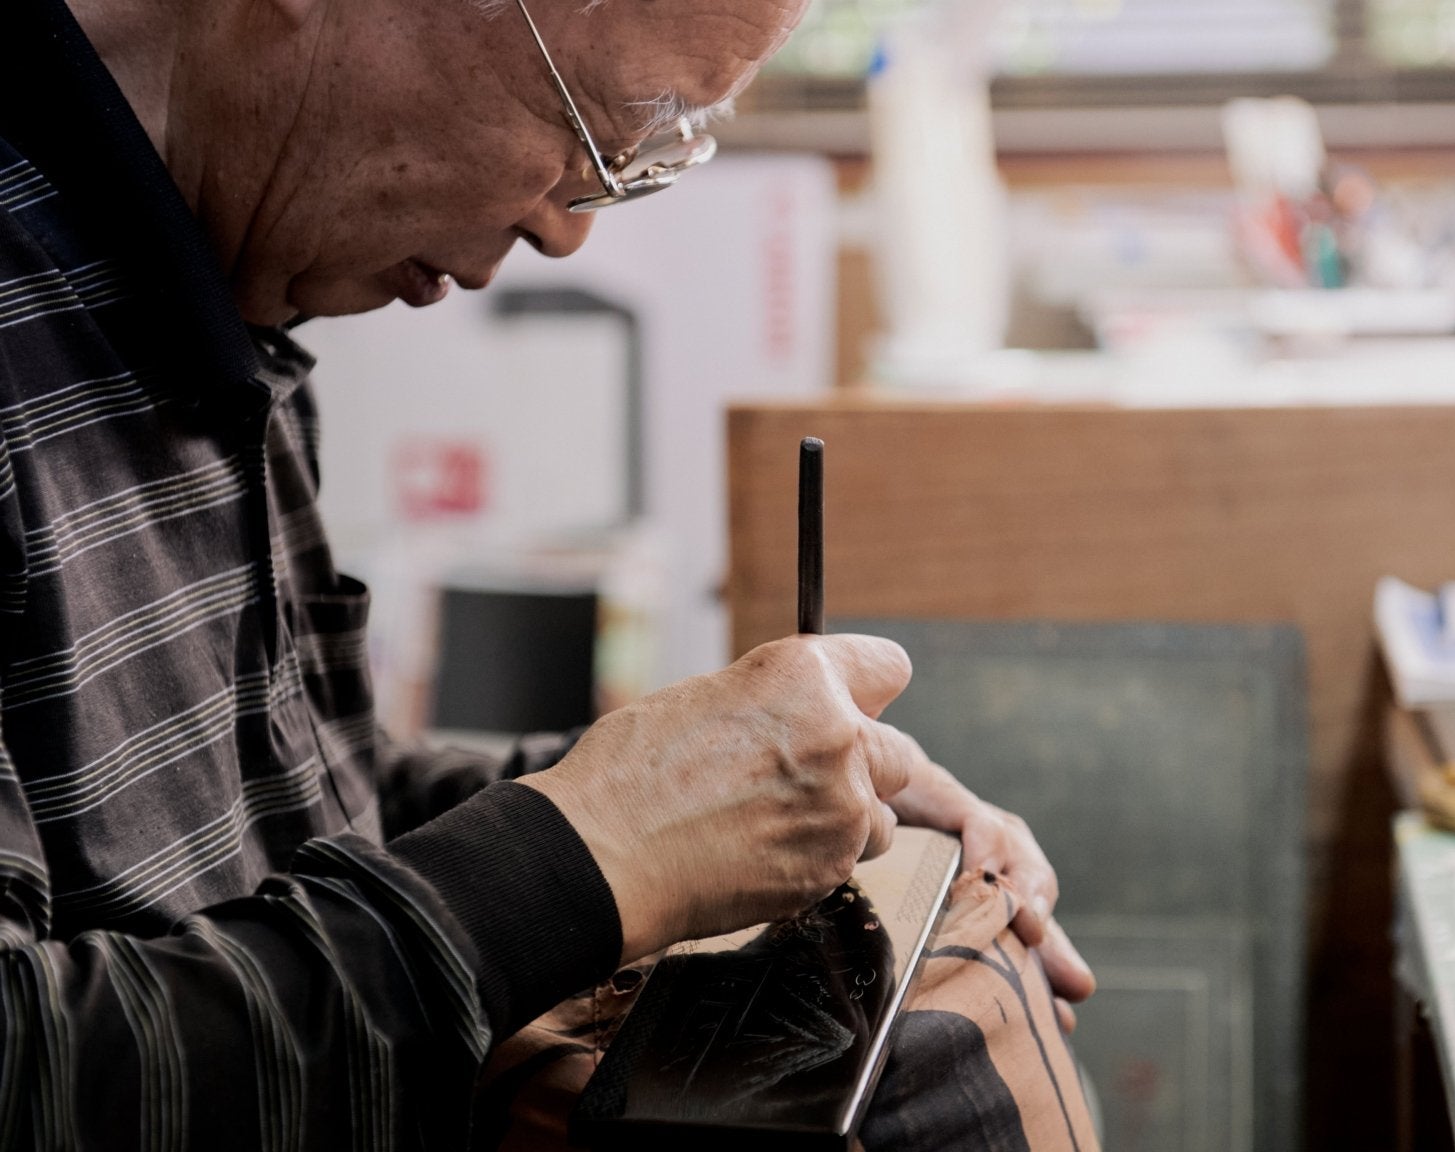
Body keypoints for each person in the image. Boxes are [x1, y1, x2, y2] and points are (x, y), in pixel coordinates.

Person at [0, 0, 1095, 1147]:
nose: (566, 232)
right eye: (597, 129)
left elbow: (287, 818)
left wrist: (695, 799)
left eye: (640, 165)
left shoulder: (213, 299)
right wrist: (582, 857)